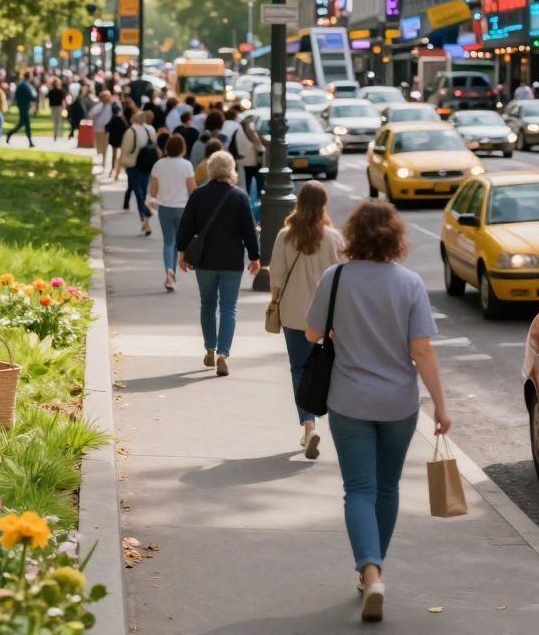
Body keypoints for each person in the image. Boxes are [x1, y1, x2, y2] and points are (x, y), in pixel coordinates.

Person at [304, 200, 451, 624]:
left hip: (348, 400)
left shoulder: (335, 277)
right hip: (398, 403)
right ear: (395, 237)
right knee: (387, 488)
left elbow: (312, 333)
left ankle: (369, 572)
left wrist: (343, 330)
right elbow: (421, 350)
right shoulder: (409, 283)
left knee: (358, 489)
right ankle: (375, 571)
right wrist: (441, 406)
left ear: (353, 234)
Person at [267, 183, 344, 461]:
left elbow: (276, 278)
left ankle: (309, 424)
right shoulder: (334, 238)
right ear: (324, 204)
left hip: (294, 312)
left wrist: (274, 302)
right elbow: (344, 277)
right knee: (331, 368)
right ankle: (336, 421)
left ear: (298, 203)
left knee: (299, 369)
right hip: (329, 316)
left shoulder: (285, 236)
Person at [176, 151, 262, 377]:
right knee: (228, 308)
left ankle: (209, 349)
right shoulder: (239, 196)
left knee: (207, 305)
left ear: (210, 169)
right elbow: (249, 231)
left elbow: (185, 227)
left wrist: (182, 253)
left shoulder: (198, 195)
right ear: (231, 169)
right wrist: (254, 257)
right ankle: (223, 354)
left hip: (204, 261)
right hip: (232, 261)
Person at [148, 133, 196, 290]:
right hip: (183, 208)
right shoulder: (187, 165)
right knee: (178, 242)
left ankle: (169, 270)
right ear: (183, 148)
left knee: (168, 241)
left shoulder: (159, 165)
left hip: (165, 208)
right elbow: (192, 190)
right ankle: (173, 272)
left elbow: (153, 191)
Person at [121, 110, 157, 236]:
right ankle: (145, 218)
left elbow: (125, 150)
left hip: (134, 165)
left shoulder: (131, 132)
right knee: (143, 191)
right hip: (147, 164)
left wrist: (122, 163)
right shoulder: (150, 130)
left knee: (139, 193)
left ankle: (145, 218)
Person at [6, 73, 36, 147]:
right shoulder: (26, 85)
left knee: (21, 124)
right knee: (27, 124)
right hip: (24, 107)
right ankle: (30, 142)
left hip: (21, 106)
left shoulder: (21, 84)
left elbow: (16, 95)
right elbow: (31, 96)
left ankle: (10, 133)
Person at [89, 93, 114, 171]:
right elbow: (91, 114)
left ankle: (104, 161)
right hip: (98, 129)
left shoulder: (111, 107)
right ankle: (101, 156)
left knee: (105, 147)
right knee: (99, 146)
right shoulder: (99, 106)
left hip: (106, 130)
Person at [105, 102, 128, 176]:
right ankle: (117, 172)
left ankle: (113, 169)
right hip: (121, 140)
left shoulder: (113, 119)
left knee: (114, 156)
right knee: (119, 156)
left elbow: (107, 128)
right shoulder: (122, 119)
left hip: (114, 140)